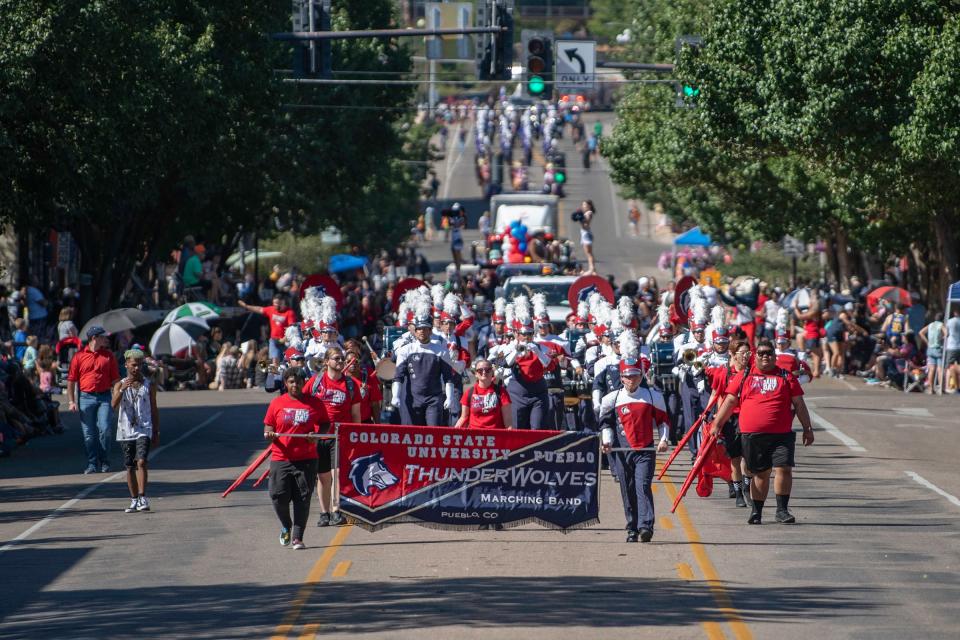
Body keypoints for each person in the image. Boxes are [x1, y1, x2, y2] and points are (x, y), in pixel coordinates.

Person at [710, 338, 814, 525]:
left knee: (784, 468)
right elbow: (730, 401)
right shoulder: (744, 376)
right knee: (760, 473)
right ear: (755, 356)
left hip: (781, 434)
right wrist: (717, 424)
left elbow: (799, 403)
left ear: (775, 356)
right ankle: (756, 511)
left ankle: (782, 510)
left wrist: (807, 428)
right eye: (761, 353)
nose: (765, 356)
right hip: (753, 435)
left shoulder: (785, 376)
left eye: (769, 353)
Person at [599, 351, 670, 543]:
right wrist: (606, 441)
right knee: (627, 488)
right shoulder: (611, 399)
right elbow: (606, 425)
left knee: (643, 486)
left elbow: (663, 422)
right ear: (621, 377)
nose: (631, 380)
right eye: (627, 376)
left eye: (635, 375)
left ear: (641, 375)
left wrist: (664, 440)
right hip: (621, 452)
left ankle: (646, 526)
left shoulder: (652, 396)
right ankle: (632, 527)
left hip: (645, 451)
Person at [263, 367, 328, 550]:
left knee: (303, 498)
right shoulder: (277, 403)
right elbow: (268, 426)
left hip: (306, 458)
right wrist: (270, 434)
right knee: (278, 496)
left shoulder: (314, 403)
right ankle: (286, 525)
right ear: (286, 383)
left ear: (303, 383)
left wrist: (316, 435)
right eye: (291, 382)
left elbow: (325, 423)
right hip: (281, 457)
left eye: (298, 382)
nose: (295, 385)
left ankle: (298, 538)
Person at [304, 346, 360, 527]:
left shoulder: (350, 384)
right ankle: (324, 512)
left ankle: (336, 511)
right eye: (336, 358)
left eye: (342, 358)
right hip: (320, 435)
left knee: (337, 474)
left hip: (340, 436)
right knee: (323, 476)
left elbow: (356, 414)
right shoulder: (316, 382)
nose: (341, 361)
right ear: (326, 361)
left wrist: (355, 437)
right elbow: (302, 403)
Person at [67, 326, 121, 474]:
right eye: (103, 337)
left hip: (104, 397)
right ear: (94, 338)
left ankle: (104, 461)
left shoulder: (109, 356)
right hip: (85, 398)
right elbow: (71, 381)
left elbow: (116, 380)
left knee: (105, 429)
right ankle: (92, 463)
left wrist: (116, 398)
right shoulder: (79, 357)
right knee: (89, 434)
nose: (106, 339)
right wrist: (72, 401)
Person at [111, 349, 160, 513]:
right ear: (126, 365)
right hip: (125, 429)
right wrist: (122, 389)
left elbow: (154, 408)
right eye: (133, 365)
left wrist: (156, 430)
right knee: (130, 466)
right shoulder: (120, 384)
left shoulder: (149, 385)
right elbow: (113, 405)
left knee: (142, 461)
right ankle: (134, 500)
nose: (136, 368)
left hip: (144, 428)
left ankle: (143, 496)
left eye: (139, 365)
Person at [705, 338, 749, 507]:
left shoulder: (752, 372)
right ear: (732, 354)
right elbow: (715, 394)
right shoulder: (724, 373)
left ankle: (747, 487)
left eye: (748, 353)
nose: (745, 357)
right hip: (730, 420)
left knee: (749, 461)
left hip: (748, 419)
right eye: (742, 353)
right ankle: (738, 493)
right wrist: (711, 415)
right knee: (735, 460)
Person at [239, 293, 296, 366]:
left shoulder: (289, 312)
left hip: (285, 341)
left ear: (283, 302)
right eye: (274, 303)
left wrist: (285, 338)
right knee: (275, 360)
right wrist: (246, 306)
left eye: (277, 303)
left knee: (284, 361)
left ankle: (279, 375)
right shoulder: (271, 309)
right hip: (274, 340)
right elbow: (259, 309)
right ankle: (274, 376)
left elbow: (291, 327)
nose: (275, 305)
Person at [455, 359, 512, 429]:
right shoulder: (469, 393)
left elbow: (508, 422)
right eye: (480, 370)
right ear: (475, 374)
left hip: (496, 436)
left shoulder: (501, 392)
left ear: (492, 372)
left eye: (487, 370)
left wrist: (510, 438)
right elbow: (463, 417)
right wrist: (453, 434)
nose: (484, 372)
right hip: (475, 436)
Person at [919, 313, 947, 393]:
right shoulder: (941, 325)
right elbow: (946, 333)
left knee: (931, 369)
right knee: (940, 369)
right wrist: (942, 339)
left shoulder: (930, 325)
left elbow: (921, 332)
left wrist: (927, 342)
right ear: (942, 319)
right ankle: (942, 388)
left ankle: (931, 388)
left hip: (930, 348)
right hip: (938, 348)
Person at [576, 200, 597, 274]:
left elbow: (586, 224)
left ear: (589, 206)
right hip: (584, 233)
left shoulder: (589, 213)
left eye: (585, 205)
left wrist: (581, 219)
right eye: (583, 205)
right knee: (588, 252)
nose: (583, 206)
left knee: (588, 253)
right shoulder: (585, 213)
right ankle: (592, 269)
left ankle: (592, 269)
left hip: (586, 233)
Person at [945, 308, 960, 392]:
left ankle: (948, 386)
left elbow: (946, 333)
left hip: (951, 346)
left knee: (950, 367)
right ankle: (958, 386)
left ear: (955, 312)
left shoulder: (949, 321)